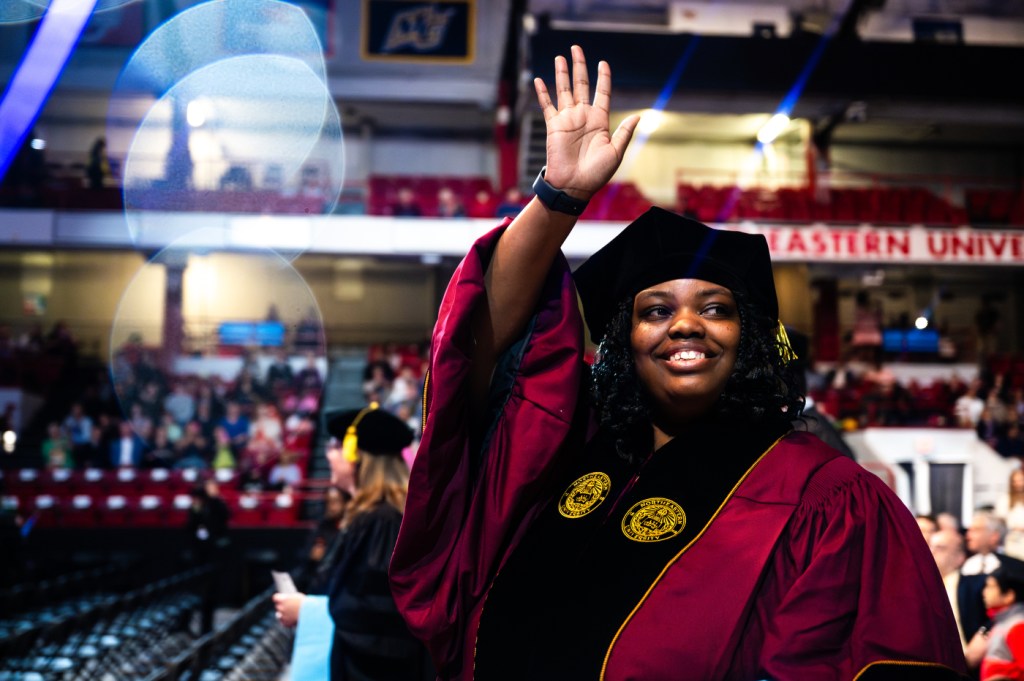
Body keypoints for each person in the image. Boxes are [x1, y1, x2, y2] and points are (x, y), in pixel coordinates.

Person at [389, 46, 966, 680]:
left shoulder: (825, 498)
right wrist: (559, 198)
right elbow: (488, 344)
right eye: (656, 310)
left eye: (715, 309)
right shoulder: (570, 455)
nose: (685, 323)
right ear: (624, 338)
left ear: (748, 339)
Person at [274, 405, 433, 680]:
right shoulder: (370, 517)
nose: (329, 454)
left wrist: (307, 612)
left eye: (336, 445)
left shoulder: (382, 522)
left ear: (355, 455)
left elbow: (380, 624)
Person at [931, 528, 988, 656]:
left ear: (959, 557)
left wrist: (984, 633)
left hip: (966, 661)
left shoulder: (977, 585)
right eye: (929, 546)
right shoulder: (919, 586)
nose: (931, 552)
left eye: (940, 548)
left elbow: (997, 617)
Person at [979, 557, 1024, 680]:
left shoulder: (1017, 626)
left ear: (1009, 595)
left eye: (990, 586)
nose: (984, 592)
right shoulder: (1002, 622)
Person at [965, 510, 1006, 576]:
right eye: (969, 530)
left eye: (976, 530)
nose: (968, 535)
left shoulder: (1014, 567)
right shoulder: (968, 565)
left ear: (994, 536)